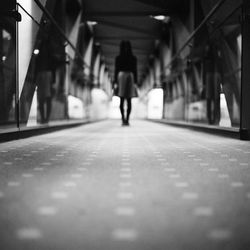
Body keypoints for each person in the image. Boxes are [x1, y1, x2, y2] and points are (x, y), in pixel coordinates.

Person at [114, 40, 138, 126]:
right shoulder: (133, 58)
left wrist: (115, 82)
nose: (126, 49)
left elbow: (116, 70)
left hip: (123, 76)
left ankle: (125, 119)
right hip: (128, 76)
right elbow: (135, 71)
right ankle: (125, 119)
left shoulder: (118, 58)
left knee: (124, 99)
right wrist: (135, 82)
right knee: (127, 99)